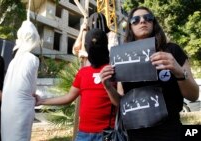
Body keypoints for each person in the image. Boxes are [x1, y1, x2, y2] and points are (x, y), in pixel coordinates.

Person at [99, 6, 199, 141]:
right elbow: (120, 102)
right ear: (130, 26)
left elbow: (193, 95)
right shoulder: (121, 58)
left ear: (153, 23)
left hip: (170, 132)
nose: (142, 21)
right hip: (135, 134)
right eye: (135, 19)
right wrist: (108, 87)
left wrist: (179, 71)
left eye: (148, 18)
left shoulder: (172, 50)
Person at [36, 28, 118, 141]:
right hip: (83, 134)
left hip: (108, 134)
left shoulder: (114, 71)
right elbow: (68, 97)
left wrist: (108, 87)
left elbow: (120, 102)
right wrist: (42, 101)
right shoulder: (83, 73)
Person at [0, 20, 40, 141]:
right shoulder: (33, 59)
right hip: (22, 107)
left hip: (7, 105)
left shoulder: (13, 61)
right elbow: (32, 88)